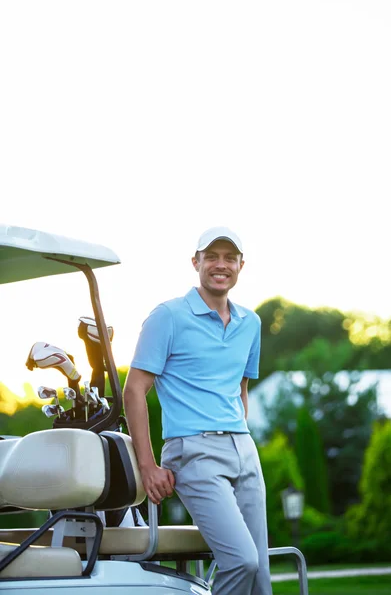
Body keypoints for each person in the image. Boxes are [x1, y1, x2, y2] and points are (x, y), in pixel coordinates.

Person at [123, 226, 272, 595]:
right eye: (212, 257)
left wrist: (239, 434)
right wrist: (148, 465)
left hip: (243, 448)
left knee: (260, 573)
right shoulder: (168, 316)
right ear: (196, 262)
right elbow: (134, 391)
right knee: (242, 560)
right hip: (193, 451)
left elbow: (241, 388)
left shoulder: (250, 323)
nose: (221, 265)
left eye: (229, 258)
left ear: (241, 265)